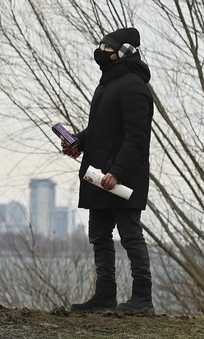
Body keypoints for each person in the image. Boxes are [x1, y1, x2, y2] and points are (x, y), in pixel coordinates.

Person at [63, 28, 154, 314]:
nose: (101, 50)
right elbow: (101, 128)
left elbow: (137, 136)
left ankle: (143, 299)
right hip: (98, 174)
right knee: (99, 235)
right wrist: (79, 140)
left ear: (125, 51)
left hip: (121, 178)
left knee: (130, 235)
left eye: (107, 47)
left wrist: (119, 171)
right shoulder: (107, 84)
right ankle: (104, 295)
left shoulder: (134, 86)